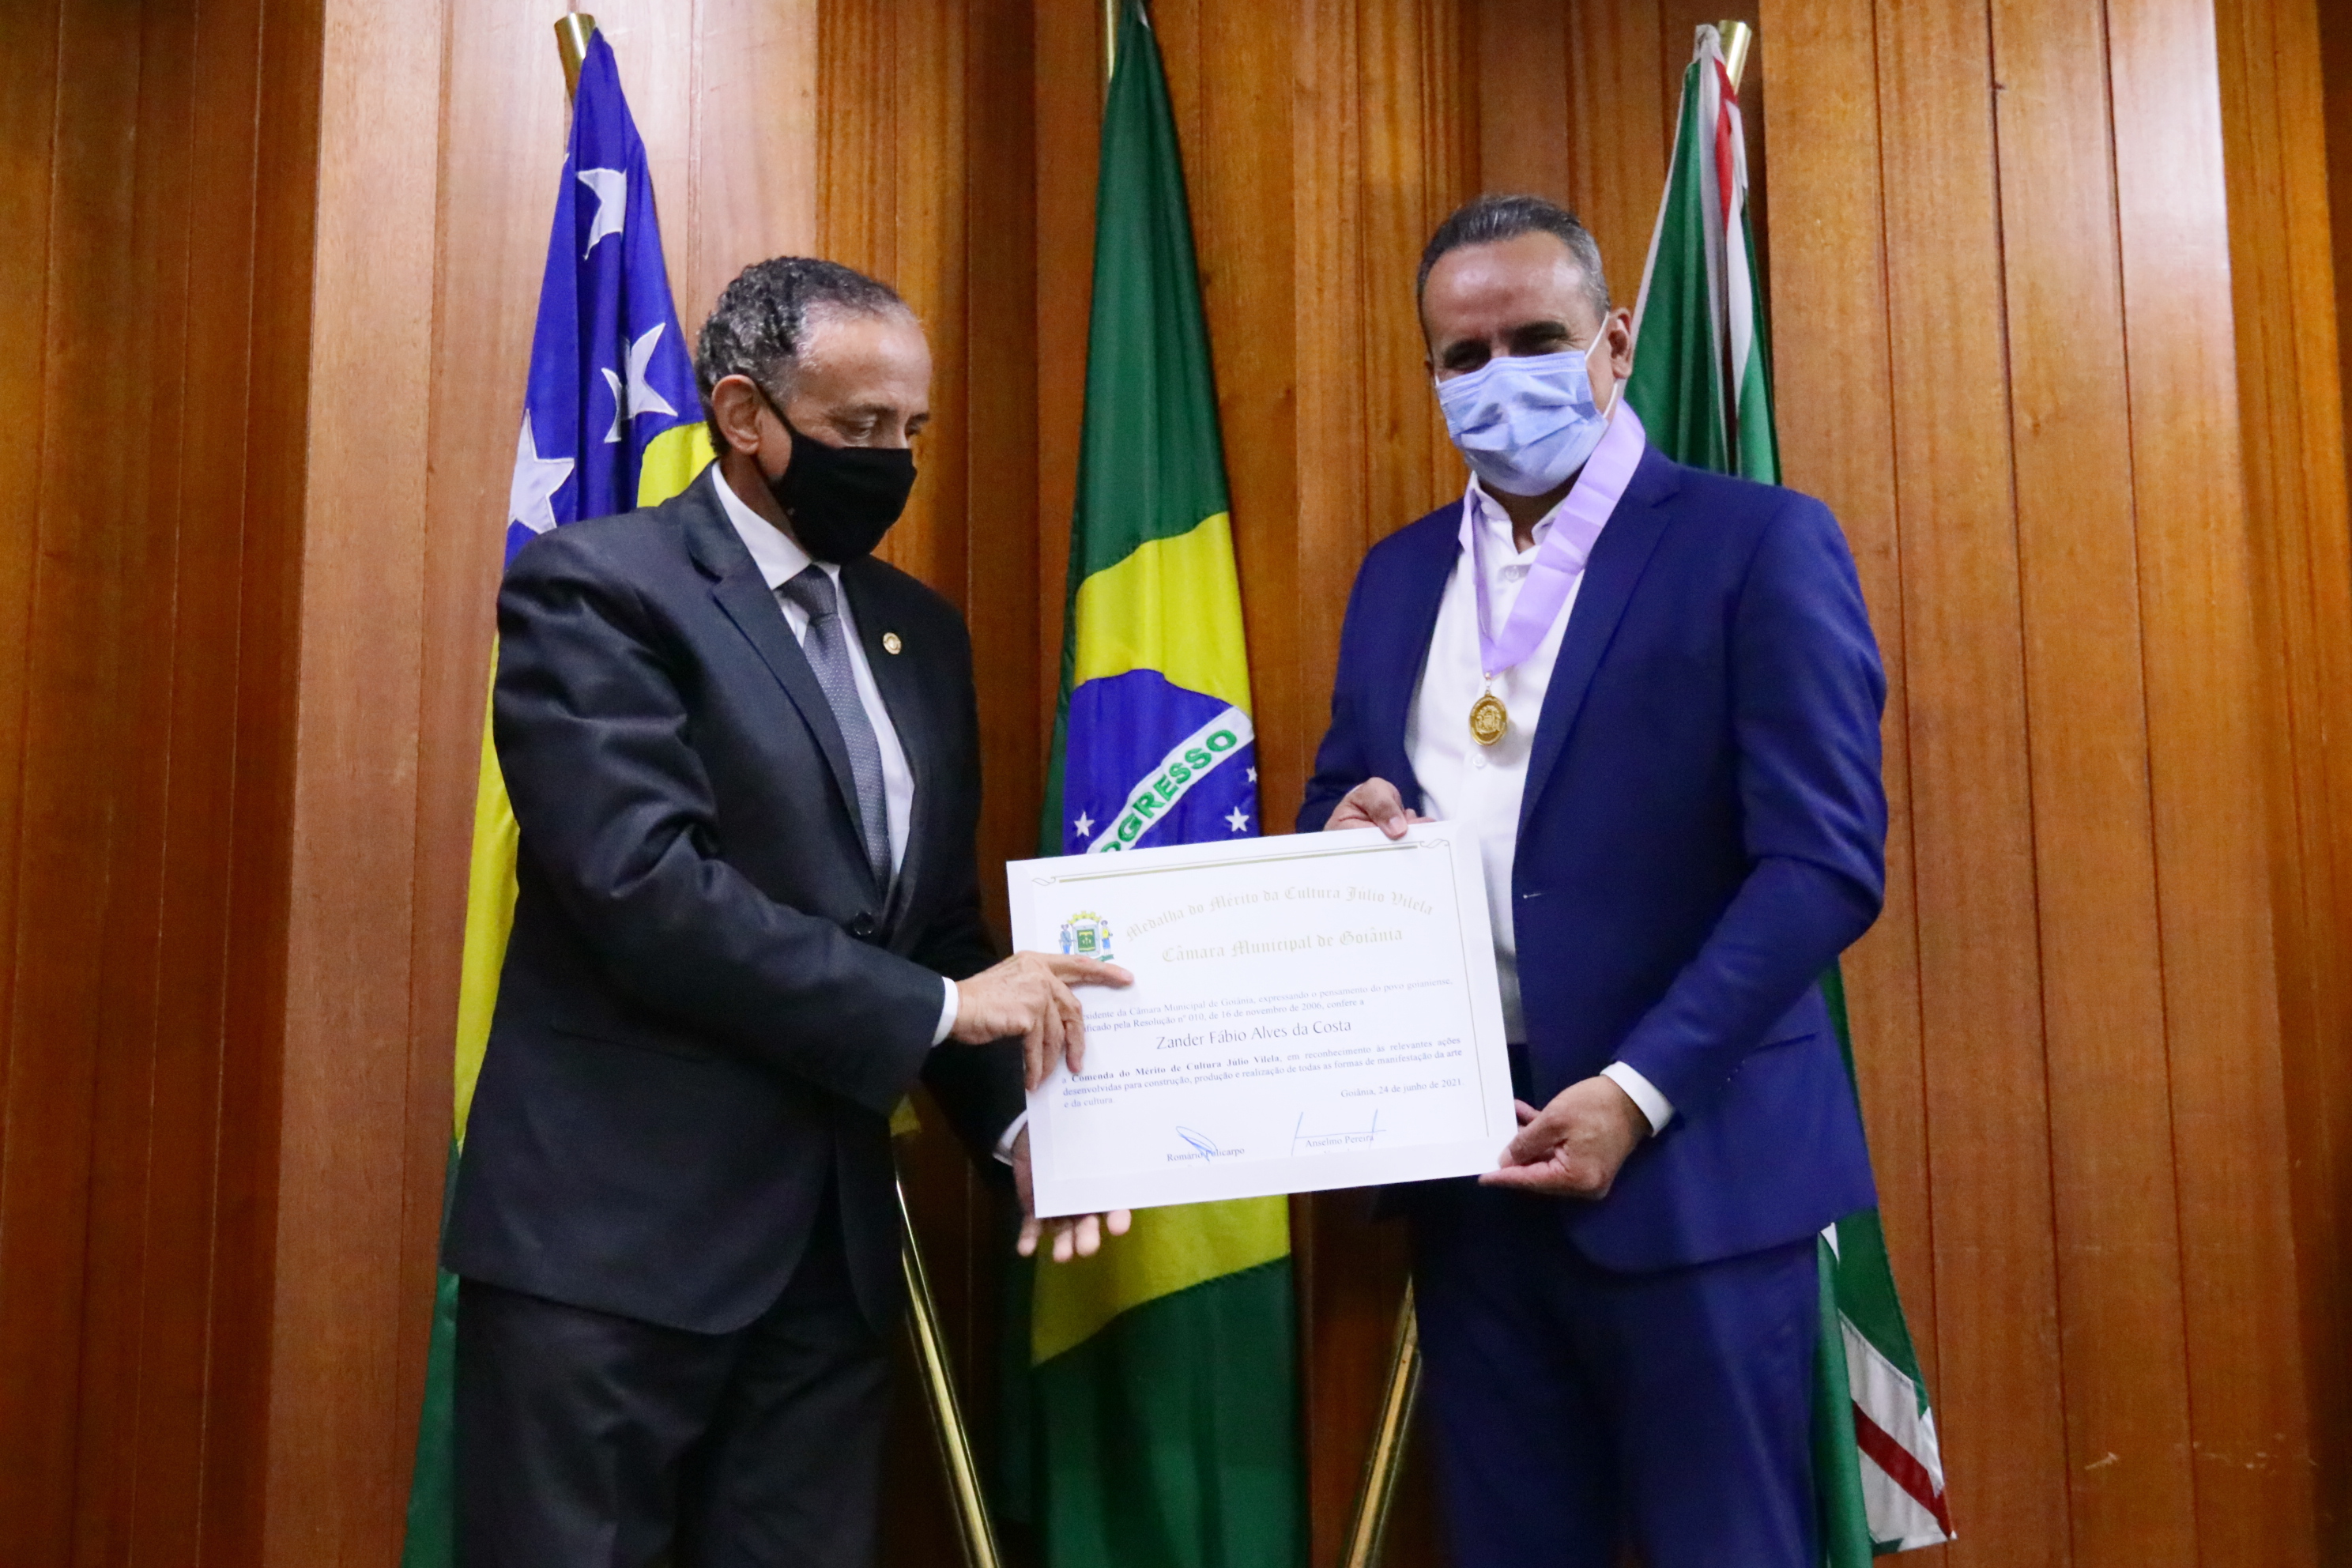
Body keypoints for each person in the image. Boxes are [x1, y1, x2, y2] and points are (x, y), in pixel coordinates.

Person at [445, 258, 1129, 1568]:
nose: (893, 462)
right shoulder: (600, 589)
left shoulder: (918, 632)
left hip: (826, 1260)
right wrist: (941, 1008)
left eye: (912, 428)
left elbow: (930, 930)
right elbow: (643, 888)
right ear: (743, 414)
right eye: (859, 427)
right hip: (611, 1253)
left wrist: (1025, 1132)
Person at [1300, 195, 1886, 1567]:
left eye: (1536, 339)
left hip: (1692, 1162)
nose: (1499, 378)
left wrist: (1635, 1092)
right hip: (1470, 1164)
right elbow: (1342, 791)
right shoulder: (1398, 576)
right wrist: (1345, 824)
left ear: (1615, 343)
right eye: (1464, 355)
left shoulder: (1756, 541)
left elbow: (1821, 864)